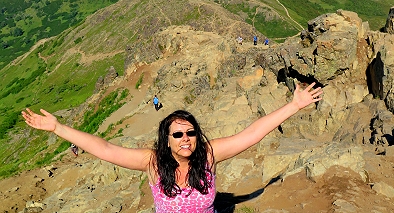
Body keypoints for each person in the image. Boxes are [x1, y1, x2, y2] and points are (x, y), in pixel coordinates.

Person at [22, 82, 323, 212]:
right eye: (177, 135)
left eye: (190, 132)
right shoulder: (152, 163)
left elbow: (253, 133)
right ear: (165, 139)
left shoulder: (209, 156)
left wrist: (294, 105)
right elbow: (106, 149)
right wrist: (59, 128)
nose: (185, 139)